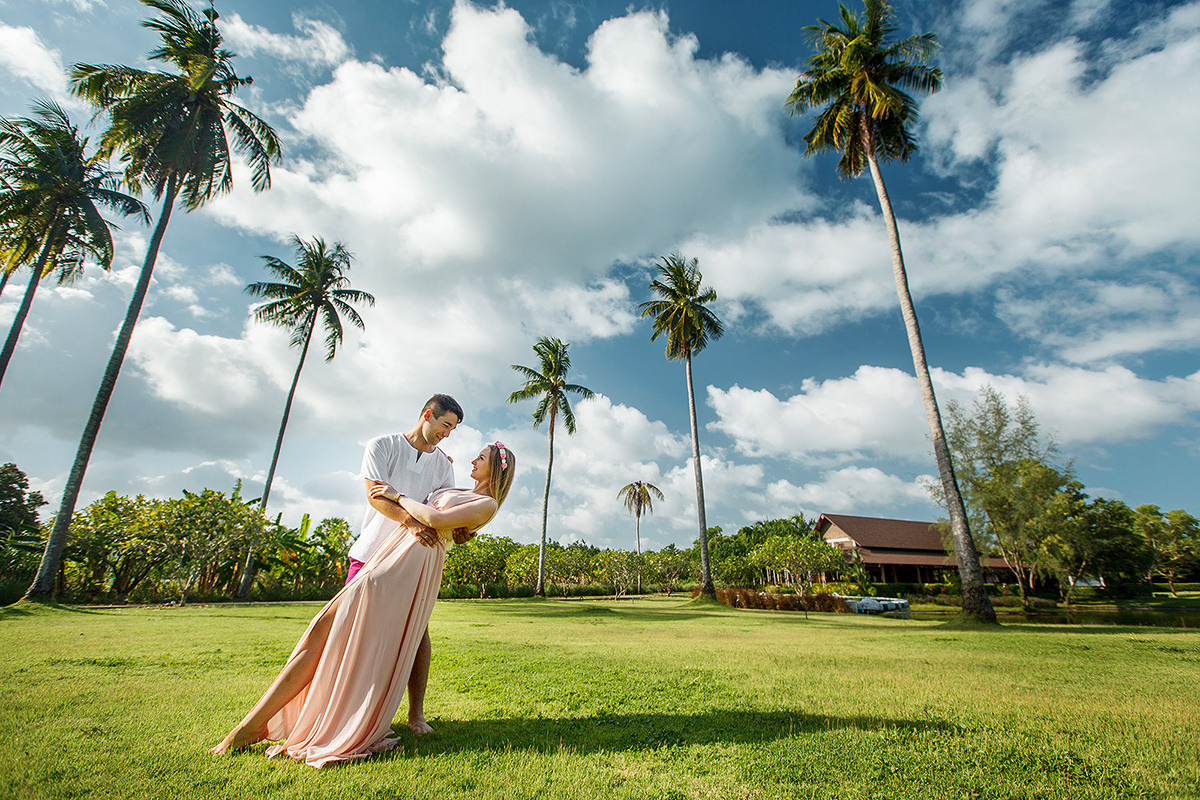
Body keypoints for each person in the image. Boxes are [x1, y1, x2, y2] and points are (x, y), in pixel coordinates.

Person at [211, 442, 516, 767]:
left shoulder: (487, 504)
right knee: (321, 632)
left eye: (481, 458)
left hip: (406, 566)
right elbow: (440, 513)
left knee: (335, 631)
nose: (473, 459)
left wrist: (397, 495)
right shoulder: (456, 486)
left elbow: (433, 518)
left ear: (496, 468)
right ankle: (254, 724)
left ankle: (257, 726)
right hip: (392, 553)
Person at [347, 393, 463, 734]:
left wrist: (457, 528)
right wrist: (411, 522)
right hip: (370, 553)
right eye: (445, 425)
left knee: (417, 633)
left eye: (453, 429)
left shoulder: (444, 464)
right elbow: (375, 495)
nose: (447, 434)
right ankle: (353, 710)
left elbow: (440, 513)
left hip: (411, 557)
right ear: (427, 415)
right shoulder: (382, 445)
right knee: (353, 632)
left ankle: (416, 716)